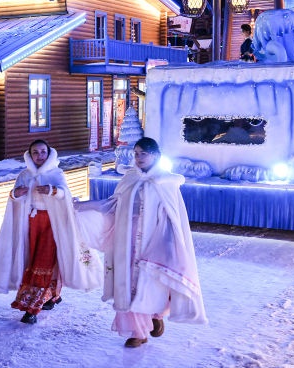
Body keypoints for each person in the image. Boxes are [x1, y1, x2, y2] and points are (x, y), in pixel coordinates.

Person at [76, 138, 206, 347]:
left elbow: (173, 217)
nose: (138, 158)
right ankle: (138, 332)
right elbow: (113, 204)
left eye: (143, 153)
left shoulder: (166, 182)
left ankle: (155, 314)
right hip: (127, 240)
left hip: (154, 241)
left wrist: (166, 244)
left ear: (155, 156)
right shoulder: (130, 178)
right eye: (136, 153)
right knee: (129, 283)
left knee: (151, 281)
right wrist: (82, 208)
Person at [0, 139, 101, 324]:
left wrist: (53, 191)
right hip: (30, 224)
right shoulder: (24, 175)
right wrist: (15, 195)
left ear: (48, 153)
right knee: (30, 261)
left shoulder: (56, 173)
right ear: (30, 155)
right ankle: (52, 294)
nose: (39, 156)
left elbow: (65, 194)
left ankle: (32, 308)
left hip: (52, 224)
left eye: (43, 152)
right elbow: (14, 197)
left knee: (43, 262)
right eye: (35, 152)